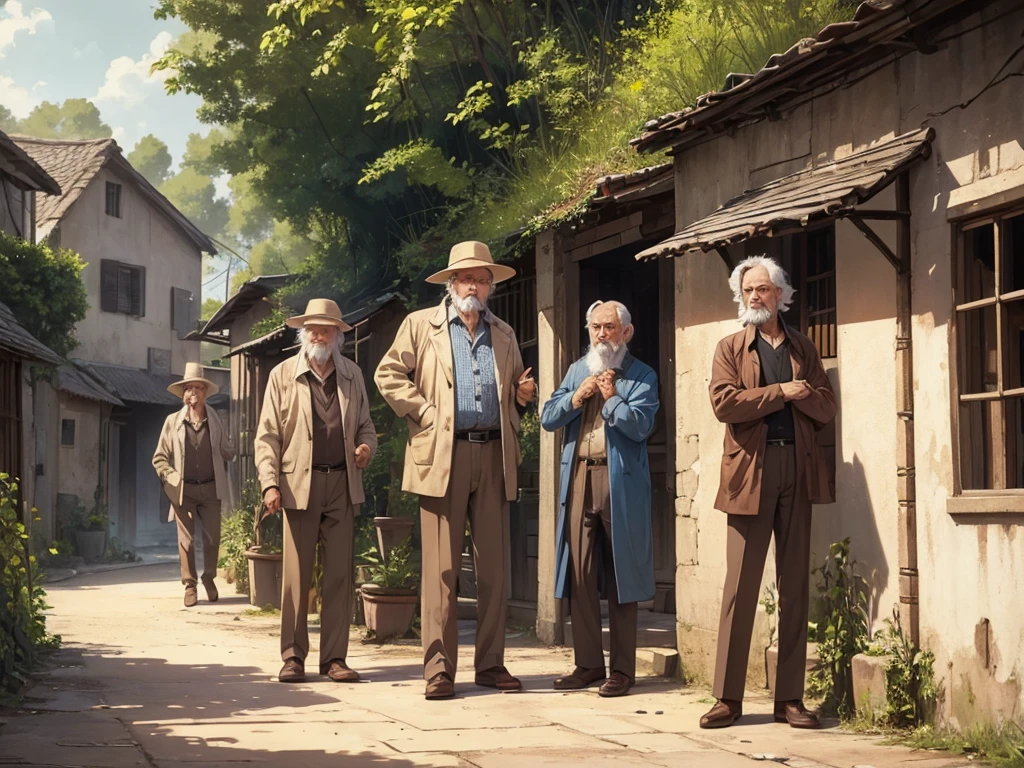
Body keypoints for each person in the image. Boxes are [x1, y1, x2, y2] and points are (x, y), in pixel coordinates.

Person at [375, 241, 537, 700]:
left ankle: (490, 665)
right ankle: (439, 669)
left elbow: (516, 389)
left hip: (493, 455)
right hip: (442, 455)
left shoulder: (504, 333)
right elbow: (388, 374)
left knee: (494, 572)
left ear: (490, 285)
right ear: (451, 283)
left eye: (483, 278)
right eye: (467, 277)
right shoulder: (419, 326)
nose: (475, 285)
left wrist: (522, 396)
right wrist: (424, 412)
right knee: (442, 571)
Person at [699, 255, 836, 730]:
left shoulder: (803, 346)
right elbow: (725, 404)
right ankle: (727, 698)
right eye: (747, 290)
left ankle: (789, 699)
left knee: (794, 582)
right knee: (741, 585)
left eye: (762, 289)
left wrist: (803, 393)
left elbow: (825, 404)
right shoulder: (731, 347)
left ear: (781, 294)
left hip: (796, 468)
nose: (753, 297)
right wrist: (783, 392)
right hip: (749, 473)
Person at [254, 299, 377, 684]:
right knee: (296, 576)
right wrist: (270, 483)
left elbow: (367, 428)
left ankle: (334, 659)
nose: (319, 334)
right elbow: (267, 437)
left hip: (341, 483)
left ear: (339, 334)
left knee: (339, 575)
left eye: (327, 328)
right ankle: (293, 657)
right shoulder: (283, 375)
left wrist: (365, 449)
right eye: (313, 328)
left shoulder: (352, 375)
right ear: (303, 333)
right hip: (298, 485)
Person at [541, 300, 659, 697]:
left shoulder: (642, 375)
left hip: (619, 479)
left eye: (609, 327)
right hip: (579, 476)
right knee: (580, 572)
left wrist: (610, 399)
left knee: (623, 573)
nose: (601, 335)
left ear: (626, 332)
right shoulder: (578, 369)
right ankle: (588, 664)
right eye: (595, 327)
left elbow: (641, 426)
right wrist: (578, 396)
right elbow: (548, 417)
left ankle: (622, 669)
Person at [153, 362, 236, 607]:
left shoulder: (216, 420)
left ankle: (209, 578)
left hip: (211, 488)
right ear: (184, 395)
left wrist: (231, 445)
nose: (193, 394)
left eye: (198, 389)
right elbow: (159, 457)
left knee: (212, 539)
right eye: (189, 389)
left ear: (205, 393)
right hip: (183, 490)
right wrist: (170, 475)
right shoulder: (172, 422)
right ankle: (190, 585)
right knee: (186, 541)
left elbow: (227, 450)